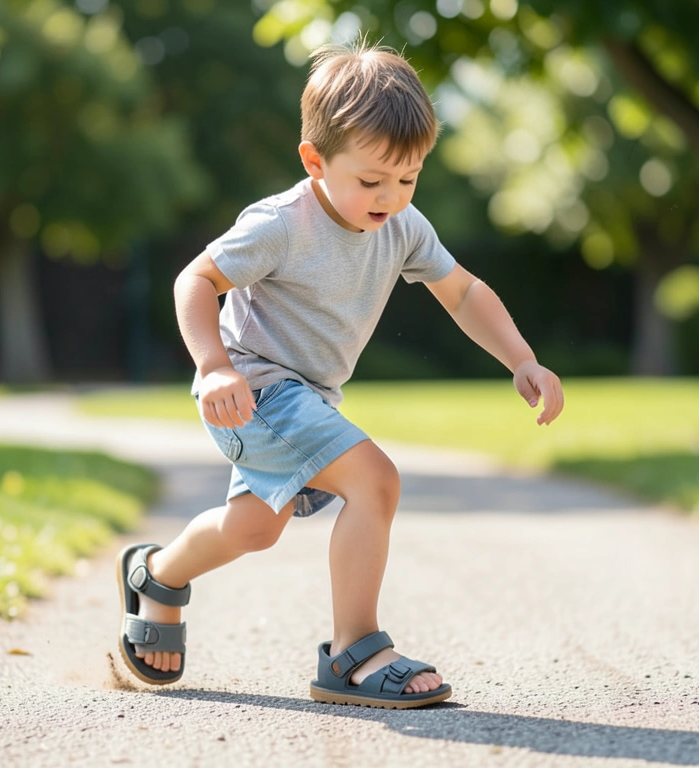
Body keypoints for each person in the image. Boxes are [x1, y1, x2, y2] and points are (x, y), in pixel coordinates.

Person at [117, 39, 564, 710]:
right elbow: (196, 280)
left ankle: (156, 576)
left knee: (254, 529)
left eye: (408, 179)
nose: (391, 197)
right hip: (254, 390)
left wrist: (522, 358)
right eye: (372, 180)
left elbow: (465, 292)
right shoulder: (281, 224)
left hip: (308, 399)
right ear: (315, 161)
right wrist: (212, 367)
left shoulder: (403, 226)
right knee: (374, 480)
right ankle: (355, 653)